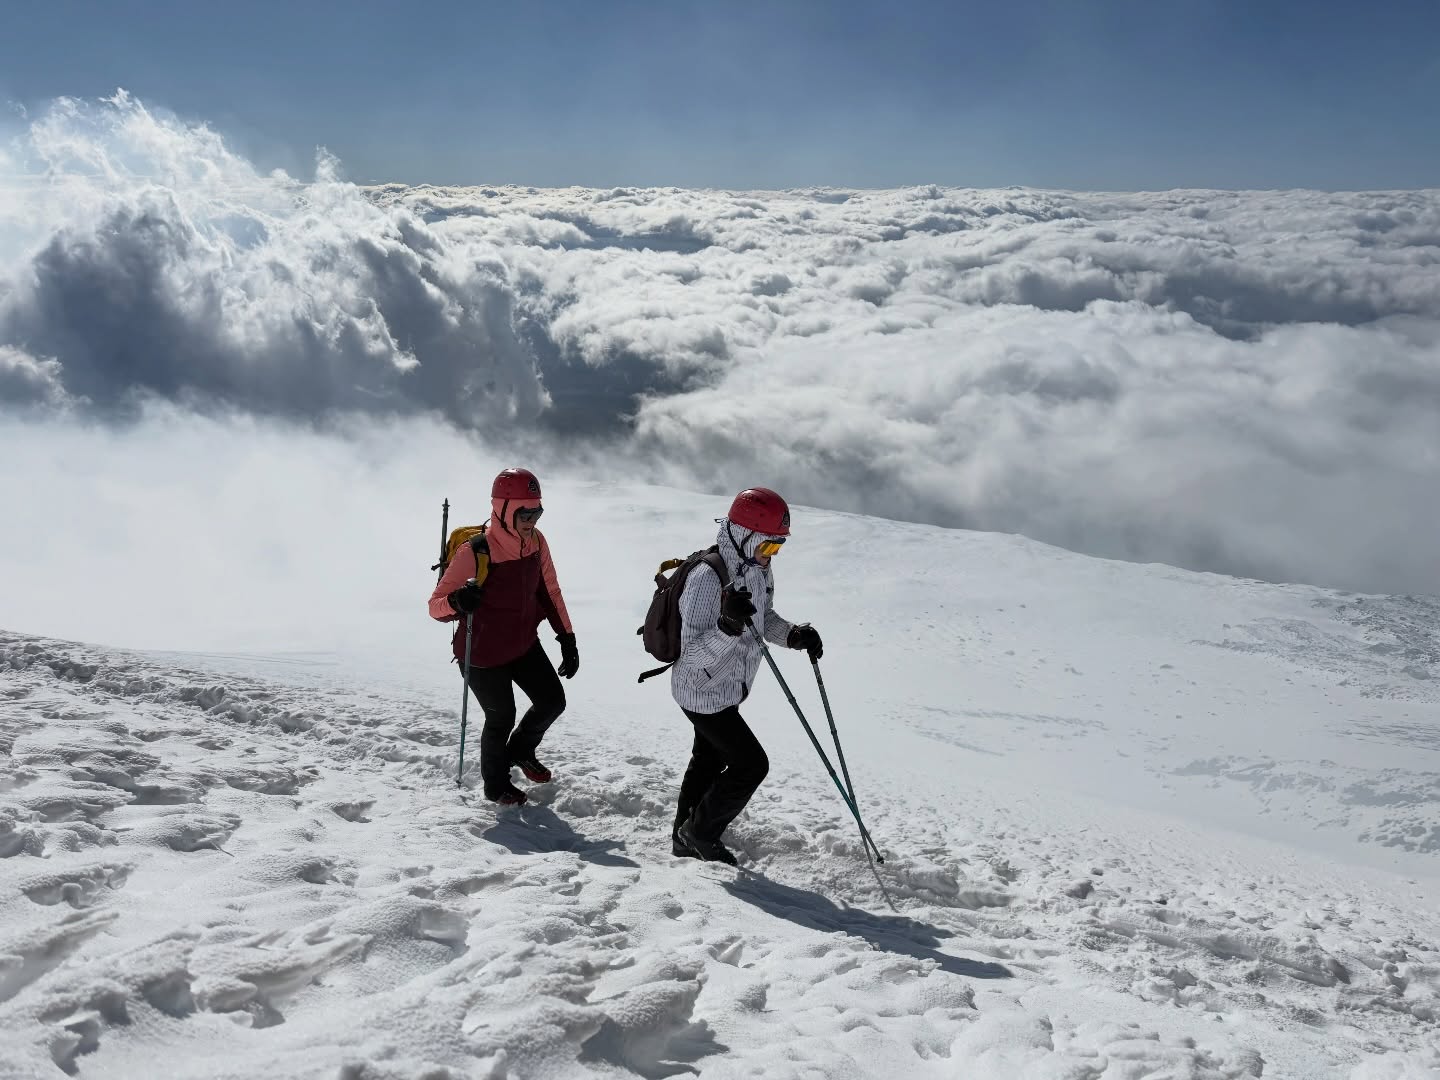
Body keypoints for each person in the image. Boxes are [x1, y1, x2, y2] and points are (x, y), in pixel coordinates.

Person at [669, 487, 824, 864]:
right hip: (701, 691)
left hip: (727, 688)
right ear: (744, 535)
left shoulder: (757, 569)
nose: (771, 556)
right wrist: (727, 626)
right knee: (751, 764)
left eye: (777, 548)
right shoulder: (707, 578)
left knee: (707, 759)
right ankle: (699, 834)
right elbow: (689, 658)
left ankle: (684, 839)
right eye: (767, 546)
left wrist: (792, 634)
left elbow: (763, 618)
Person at [428, 467, 579, 805]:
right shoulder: (476, 552)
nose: (532, 520)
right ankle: (495, 785)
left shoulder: (537, 543)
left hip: (522, 642)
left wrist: (566, 637)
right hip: (481, 653)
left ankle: (520, 751)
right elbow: (435, 606)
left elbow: (550, 592)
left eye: (537, 511)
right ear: (504, 508)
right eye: (525, 512)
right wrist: (456, 601)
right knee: (501, 717)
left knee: (553, 701)